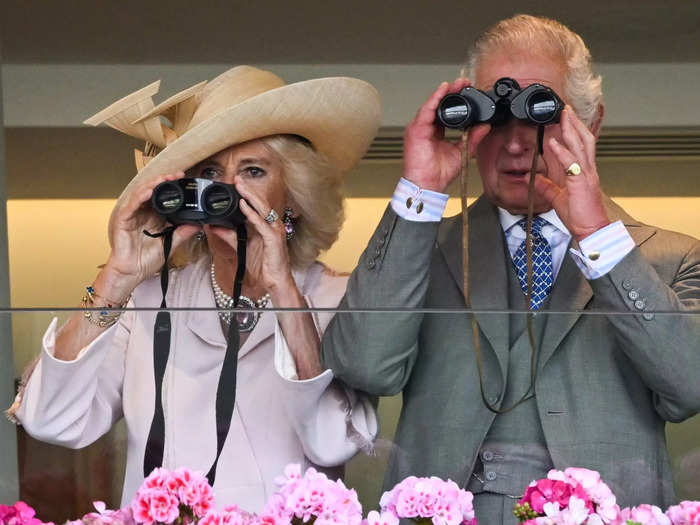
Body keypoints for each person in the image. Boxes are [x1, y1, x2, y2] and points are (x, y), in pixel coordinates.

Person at [321, 14, 700, 522]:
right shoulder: (422, 247)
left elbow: (689, 386)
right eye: (495, 117)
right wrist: (421, 190)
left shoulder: (671, 257)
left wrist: (599, 238)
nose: (516, 143)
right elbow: (364, 365)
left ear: (592, 124)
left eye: (539, 114)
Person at [8, 66, 381, 511]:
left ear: (294, 200)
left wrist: (282, 288)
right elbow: (52, 421)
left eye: (254, 171)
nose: (229, 190)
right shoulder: (149, 300)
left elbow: (331, 442)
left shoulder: (335, 299)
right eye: (210, 172)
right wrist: (117, 277)